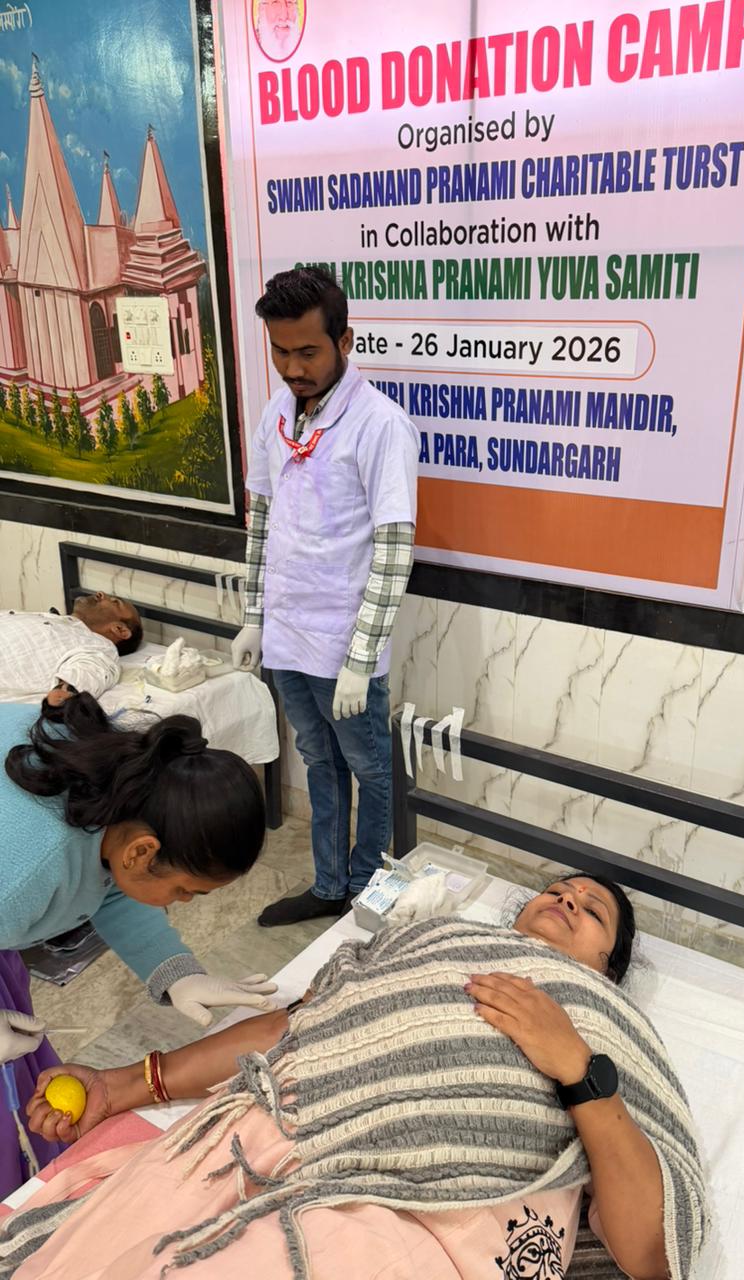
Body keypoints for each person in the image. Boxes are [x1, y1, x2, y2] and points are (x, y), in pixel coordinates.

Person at [14, 876, 707, 1280]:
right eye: (556, 889)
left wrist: (580, 1071)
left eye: (593, 911)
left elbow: (649, 1250)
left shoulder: (613, 1025)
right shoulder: (428, 938)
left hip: (440, 1212)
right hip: (269, 1139)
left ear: (607, 967)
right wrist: (125, 1085)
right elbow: (296, 1028)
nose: (567, 899)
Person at [0, 695, 278, 1196]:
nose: (185, 902)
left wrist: (174, 969)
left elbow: (106, 882)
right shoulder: (25, 871)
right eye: (184, 890)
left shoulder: (130, 795)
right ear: (143, 852)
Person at [231, 267, 419, 926]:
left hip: (343, 646)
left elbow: (394, 552)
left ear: (345, 340)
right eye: (280, 351)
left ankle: (366, 890)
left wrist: (362, 658)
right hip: (286, 637)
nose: (292, 366)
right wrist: (254, 615)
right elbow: (262, 515)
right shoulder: (276, 414)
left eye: (307, 351)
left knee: (369, 769)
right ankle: (328, 884)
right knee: (317, 761)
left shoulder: (380, 426)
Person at [0, 592, 143, 703]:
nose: (101, 593)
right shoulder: (57, 621)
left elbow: (92, 669)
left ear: (120, 630)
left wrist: (65, 691)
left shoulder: (98, 646)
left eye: (115, 602)